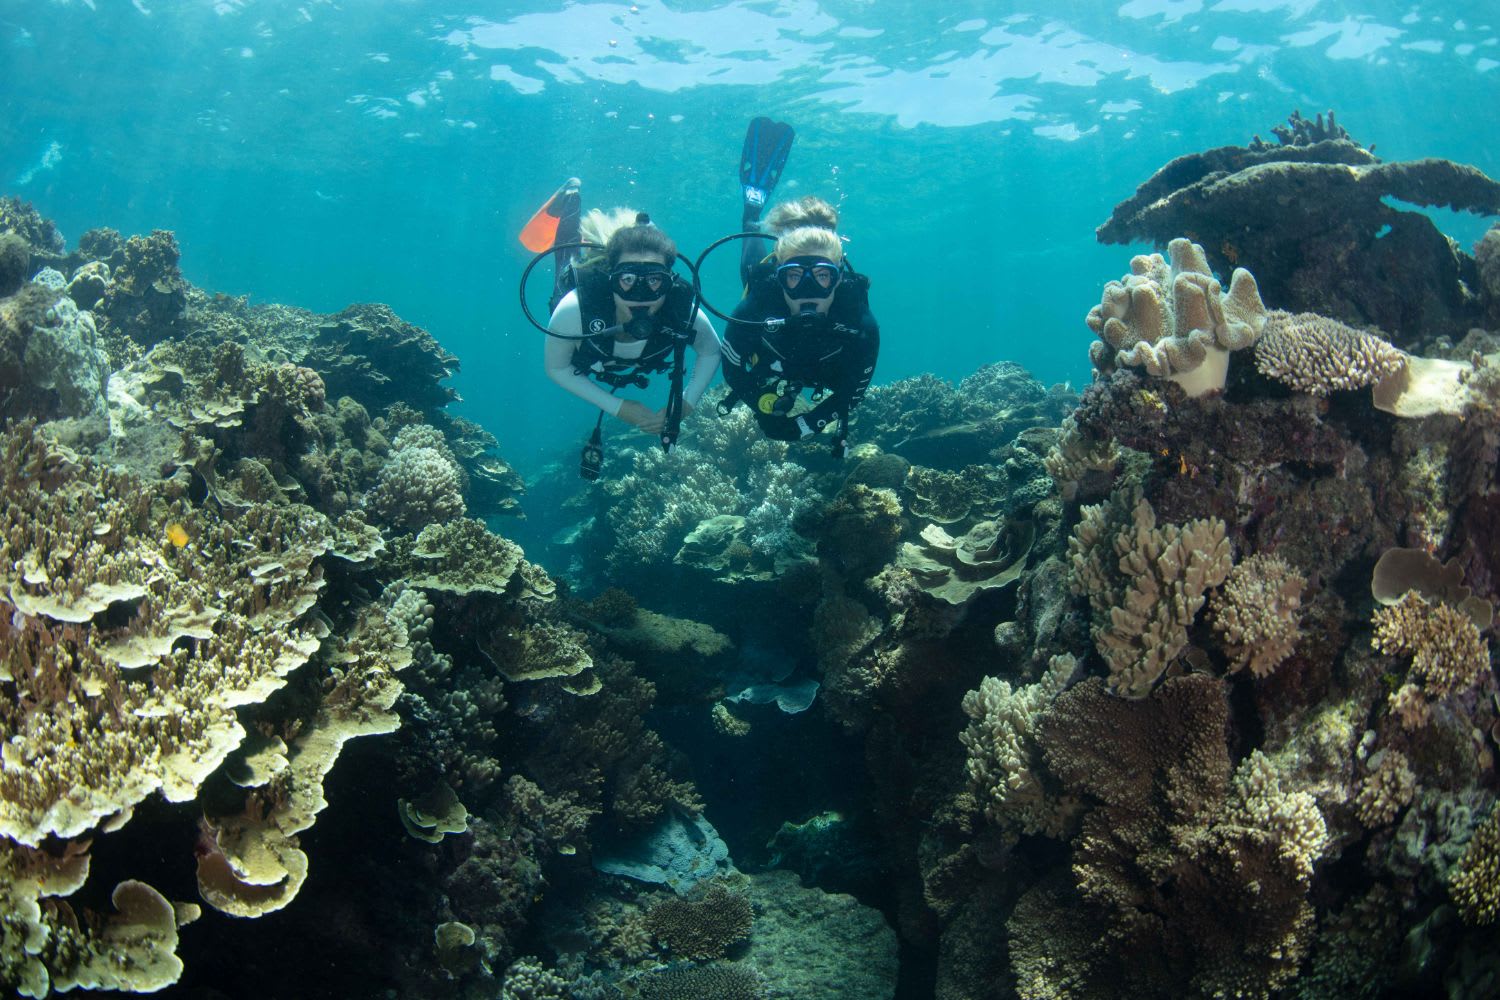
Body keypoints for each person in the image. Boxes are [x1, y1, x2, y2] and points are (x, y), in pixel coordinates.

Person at [541, 208, 720, 473]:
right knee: (566, 261)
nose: (640, 294)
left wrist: (686, 403)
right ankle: (570, 205)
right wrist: (619, 408)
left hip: (612, 358)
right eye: (627, 279)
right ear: (610, 278)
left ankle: (642, 229)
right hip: (592, 343)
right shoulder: (575, 308)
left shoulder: (680, 307)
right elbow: (557, 367)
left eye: (654, 280)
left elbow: (711, 351)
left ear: (668, 282)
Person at [719, 199, 878, 458]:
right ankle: (751, 214)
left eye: (822, 275)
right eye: (794, 276)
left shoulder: (859, 321)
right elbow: (732, 369)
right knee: (751, 267)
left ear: (838, 279)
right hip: (771, 351)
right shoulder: (756, 307)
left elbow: (853, 390)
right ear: (779, 277)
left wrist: (806, 426)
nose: (808, 290)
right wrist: (761, 409)